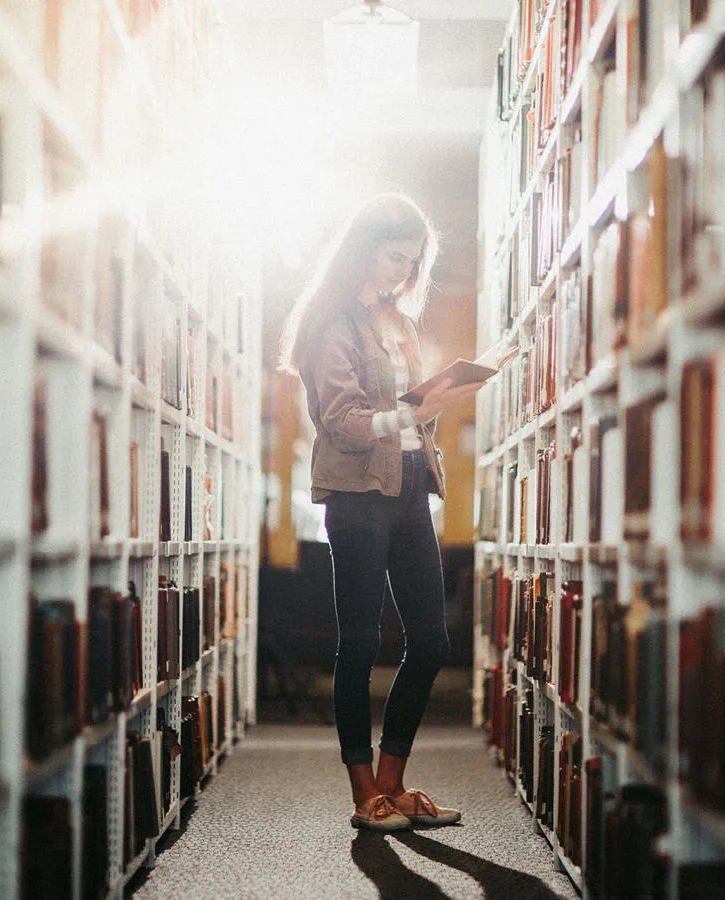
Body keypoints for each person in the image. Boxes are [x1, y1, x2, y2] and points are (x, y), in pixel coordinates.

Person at [279, 193, 486, 831]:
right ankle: (362, 791)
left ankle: (394, 783)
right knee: (360, 644)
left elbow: (402, 413)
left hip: (410, 489)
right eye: (396, 257)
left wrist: (438, 398)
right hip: (356, 495)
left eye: (413, 261)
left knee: (430, 641)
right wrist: (414, 412)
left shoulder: (401, 321)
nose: (404, 271)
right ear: (364, 249)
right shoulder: (330, 322)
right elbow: (340, 421)